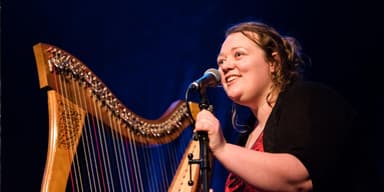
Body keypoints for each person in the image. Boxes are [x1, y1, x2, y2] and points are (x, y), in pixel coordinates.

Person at [193, 21, 368, 191]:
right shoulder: (245, 136)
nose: (225, 67)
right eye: (221, 61)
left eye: (238, 54)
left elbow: (300, 180)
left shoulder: (309, 98)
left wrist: (222, 149)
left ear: (273, 62)